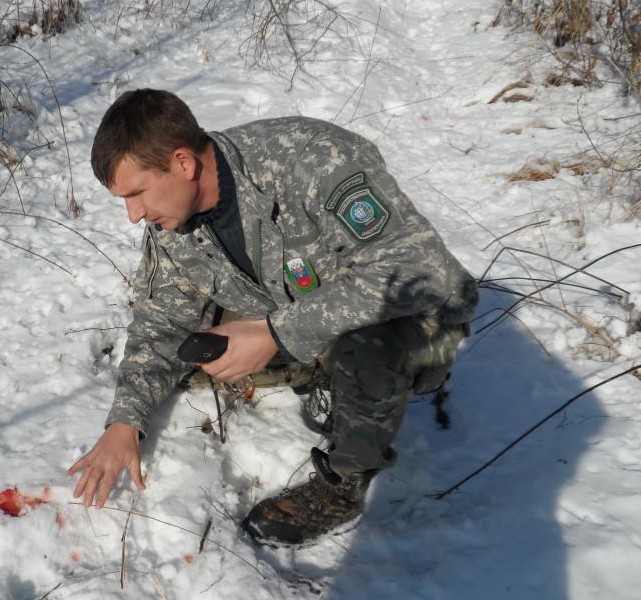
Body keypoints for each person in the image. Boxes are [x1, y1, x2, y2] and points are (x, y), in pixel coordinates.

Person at [66, 89, 478, 545]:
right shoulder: (173, 222)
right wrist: (126, 421)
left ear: (183, 163)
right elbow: (161, 321)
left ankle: (343, 486)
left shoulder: (310, 160)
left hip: (418, 323)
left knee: (365, 351)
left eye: (137, 193)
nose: (133, 215)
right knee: (196, 349)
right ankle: (317, 370)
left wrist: (276, 334)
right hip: (294, 309)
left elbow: (423, 272)